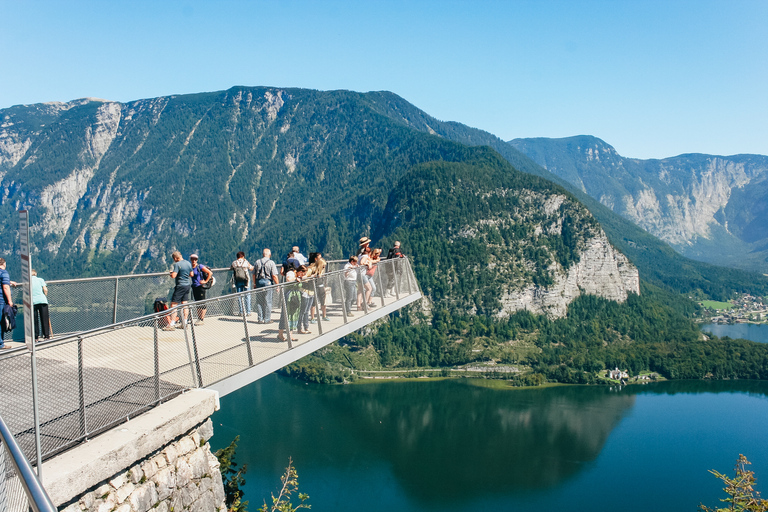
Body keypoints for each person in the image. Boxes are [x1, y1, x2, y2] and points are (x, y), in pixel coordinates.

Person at [165, 251, 193, 330]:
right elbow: (191, 274)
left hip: (180, 285)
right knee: (185, 304)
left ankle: (172, 323)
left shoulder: (177, 264)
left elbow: (174, 276)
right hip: (187, 285)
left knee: (174, 304)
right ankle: (185, 322)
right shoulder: (188, 263)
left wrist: (171, 273)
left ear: (175, 258)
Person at [253, 248, 279, 324]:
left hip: (258, 282)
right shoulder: (271, 262)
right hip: (268, 282)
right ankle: (267, 319)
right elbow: (274, 275)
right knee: (268, 301)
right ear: (269, 255)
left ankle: (260, 319)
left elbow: (254, 274)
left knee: (259, 301)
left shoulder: (257, 262)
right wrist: (277, 285)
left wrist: (254, 284)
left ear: (263, 254)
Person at [189, 254, 212, 326]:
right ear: (190, 259)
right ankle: (199, 318)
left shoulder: (200, 266)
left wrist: (205, 281)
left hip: (200, 287)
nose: (194, 260)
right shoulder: (190, 267)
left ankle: (202, 319)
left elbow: (210, 273)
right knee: (197, 303)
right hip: (194, 287)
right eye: (192, 259)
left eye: (195, 259)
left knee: (202, 302)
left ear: (197, 260)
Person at [278, 270, 300, 342]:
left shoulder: (297, 279)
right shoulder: (291, 278)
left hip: (293, 300)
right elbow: (289, 280)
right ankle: (280, 334)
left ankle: (290, 335)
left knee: (291, 316)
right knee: (284, 316)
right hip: (288, 300)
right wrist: (295, 280)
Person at [230, 251, 254, 315]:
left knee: (240, 296)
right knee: (247, 296)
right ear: (243, 256)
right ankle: (248, 311)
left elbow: (231, 268)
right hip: (246, 281)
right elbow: (252, 268)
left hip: (237, 281)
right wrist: (246, 261)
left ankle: (241, 312)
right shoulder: (245, 262)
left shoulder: (234, 263)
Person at [307, 252, 328, 323]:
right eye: (320, 258)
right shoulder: (312, 267)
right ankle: (312, 317)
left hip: (321, 285)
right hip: (314, 286)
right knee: (313, 302)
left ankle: (324, 315)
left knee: (323, 301)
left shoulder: (321, 267)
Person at [0, 258, 16, 348]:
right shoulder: (4, 272)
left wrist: (9, 282)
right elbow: (5, 287)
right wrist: (10, 301)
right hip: (1, 300)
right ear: (4, 263)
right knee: (1, 322)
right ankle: (1, 344)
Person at [31, 269, 51, 340]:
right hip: (42, 300)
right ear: (35, 274)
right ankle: (46, 336)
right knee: (44, 318)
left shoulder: (28, 281)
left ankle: (36, 337)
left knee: (34, 320)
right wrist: (45, 296)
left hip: (32, 302)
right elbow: (45, 289)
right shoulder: (40, 280)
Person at [296, 266, 314, 334]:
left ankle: (306, 327)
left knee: (306, 311)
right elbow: (302, 278)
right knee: (302, 311)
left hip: (310, 292)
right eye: (303, 273)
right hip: (304, 292)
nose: (304, 274)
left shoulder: (306, 275)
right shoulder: (299, 276)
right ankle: (299, 328)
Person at [358, 246, 376, 310]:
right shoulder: (365, 256)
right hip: (362, 274)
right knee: (369, 289)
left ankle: (359, 306)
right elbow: (361, 263)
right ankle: (365, 304)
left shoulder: (360, 255)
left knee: (360, 290)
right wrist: (367, 264)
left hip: (358, 274)